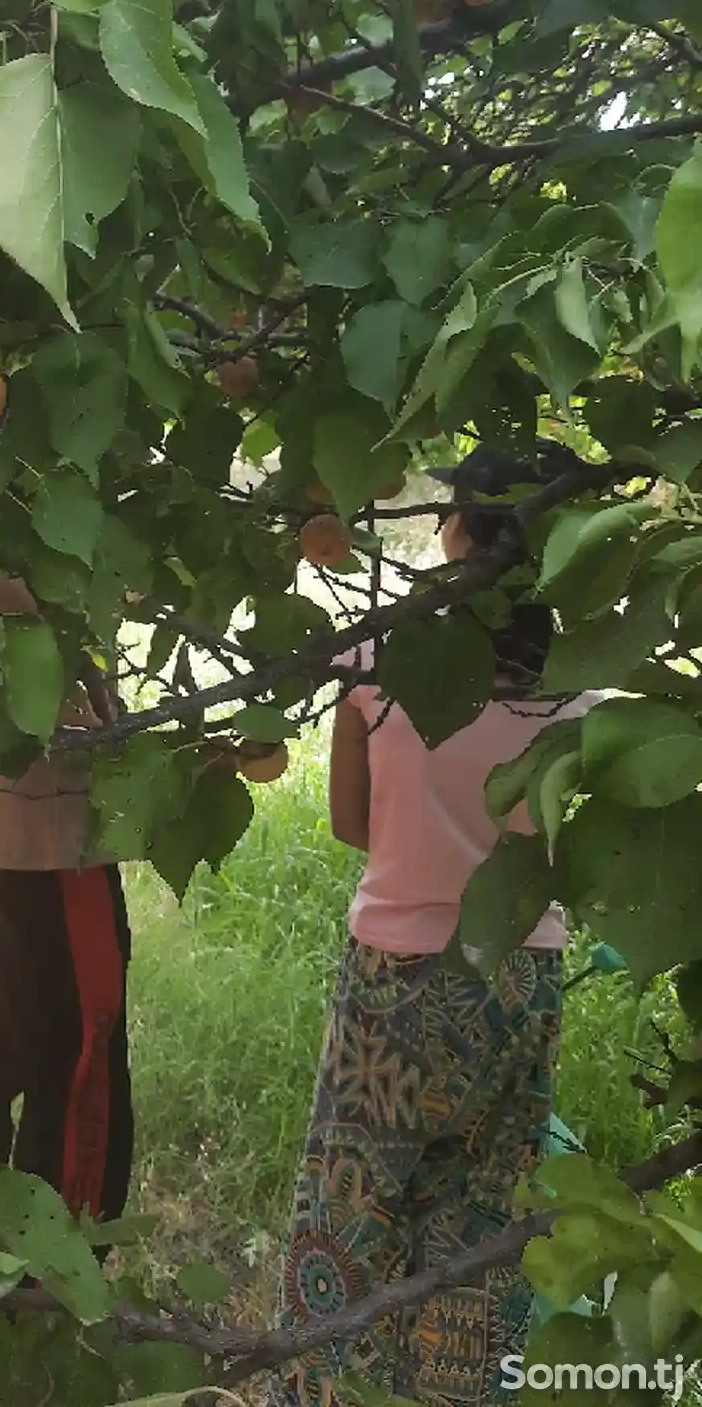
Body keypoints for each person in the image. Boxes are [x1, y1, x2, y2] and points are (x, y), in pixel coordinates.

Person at [271, 442, 597, 1407]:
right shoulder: (575, 680)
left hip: (396, 982)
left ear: (456, 529)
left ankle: (324, 1396)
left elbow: (344, 820)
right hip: (518, 981)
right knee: (484, 1231)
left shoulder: (383, 654)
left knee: (352, 1217)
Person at [0, 575, 134, 1226]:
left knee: (69, 1074)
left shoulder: (64, 535)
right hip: (19, 853)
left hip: (56, 854)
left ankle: (50, 1272)